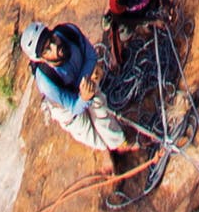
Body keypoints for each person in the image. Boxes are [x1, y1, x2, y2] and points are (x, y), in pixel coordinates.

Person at [20, 19, 132, 156]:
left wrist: (83, 86)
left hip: (84, 84)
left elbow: (91, 56)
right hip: (66, 108)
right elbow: (73, 107)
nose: (55, 47)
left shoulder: (68, 31)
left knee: (99, 107)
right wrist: (84, 97)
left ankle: (118, 143)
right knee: (89, 133)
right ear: (42, 59)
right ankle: (107, 149)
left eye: (52, 39)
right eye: (48, 49)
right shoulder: (46, 81)